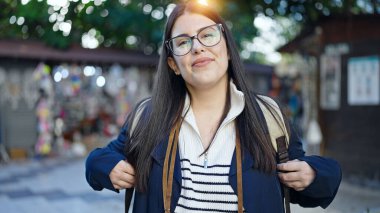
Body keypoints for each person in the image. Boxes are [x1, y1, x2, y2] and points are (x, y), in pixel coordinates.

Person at [85, 1, 341, 212]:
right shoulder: (148, 116)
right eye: (183, 42)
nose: (197, 47)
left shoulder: (267, 115)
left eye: (207, 35)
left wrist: (312, 175)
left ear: (228, 49)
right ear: (173, 64)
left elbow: (313, 182)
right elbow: (99, 161)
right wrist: (106, 167)